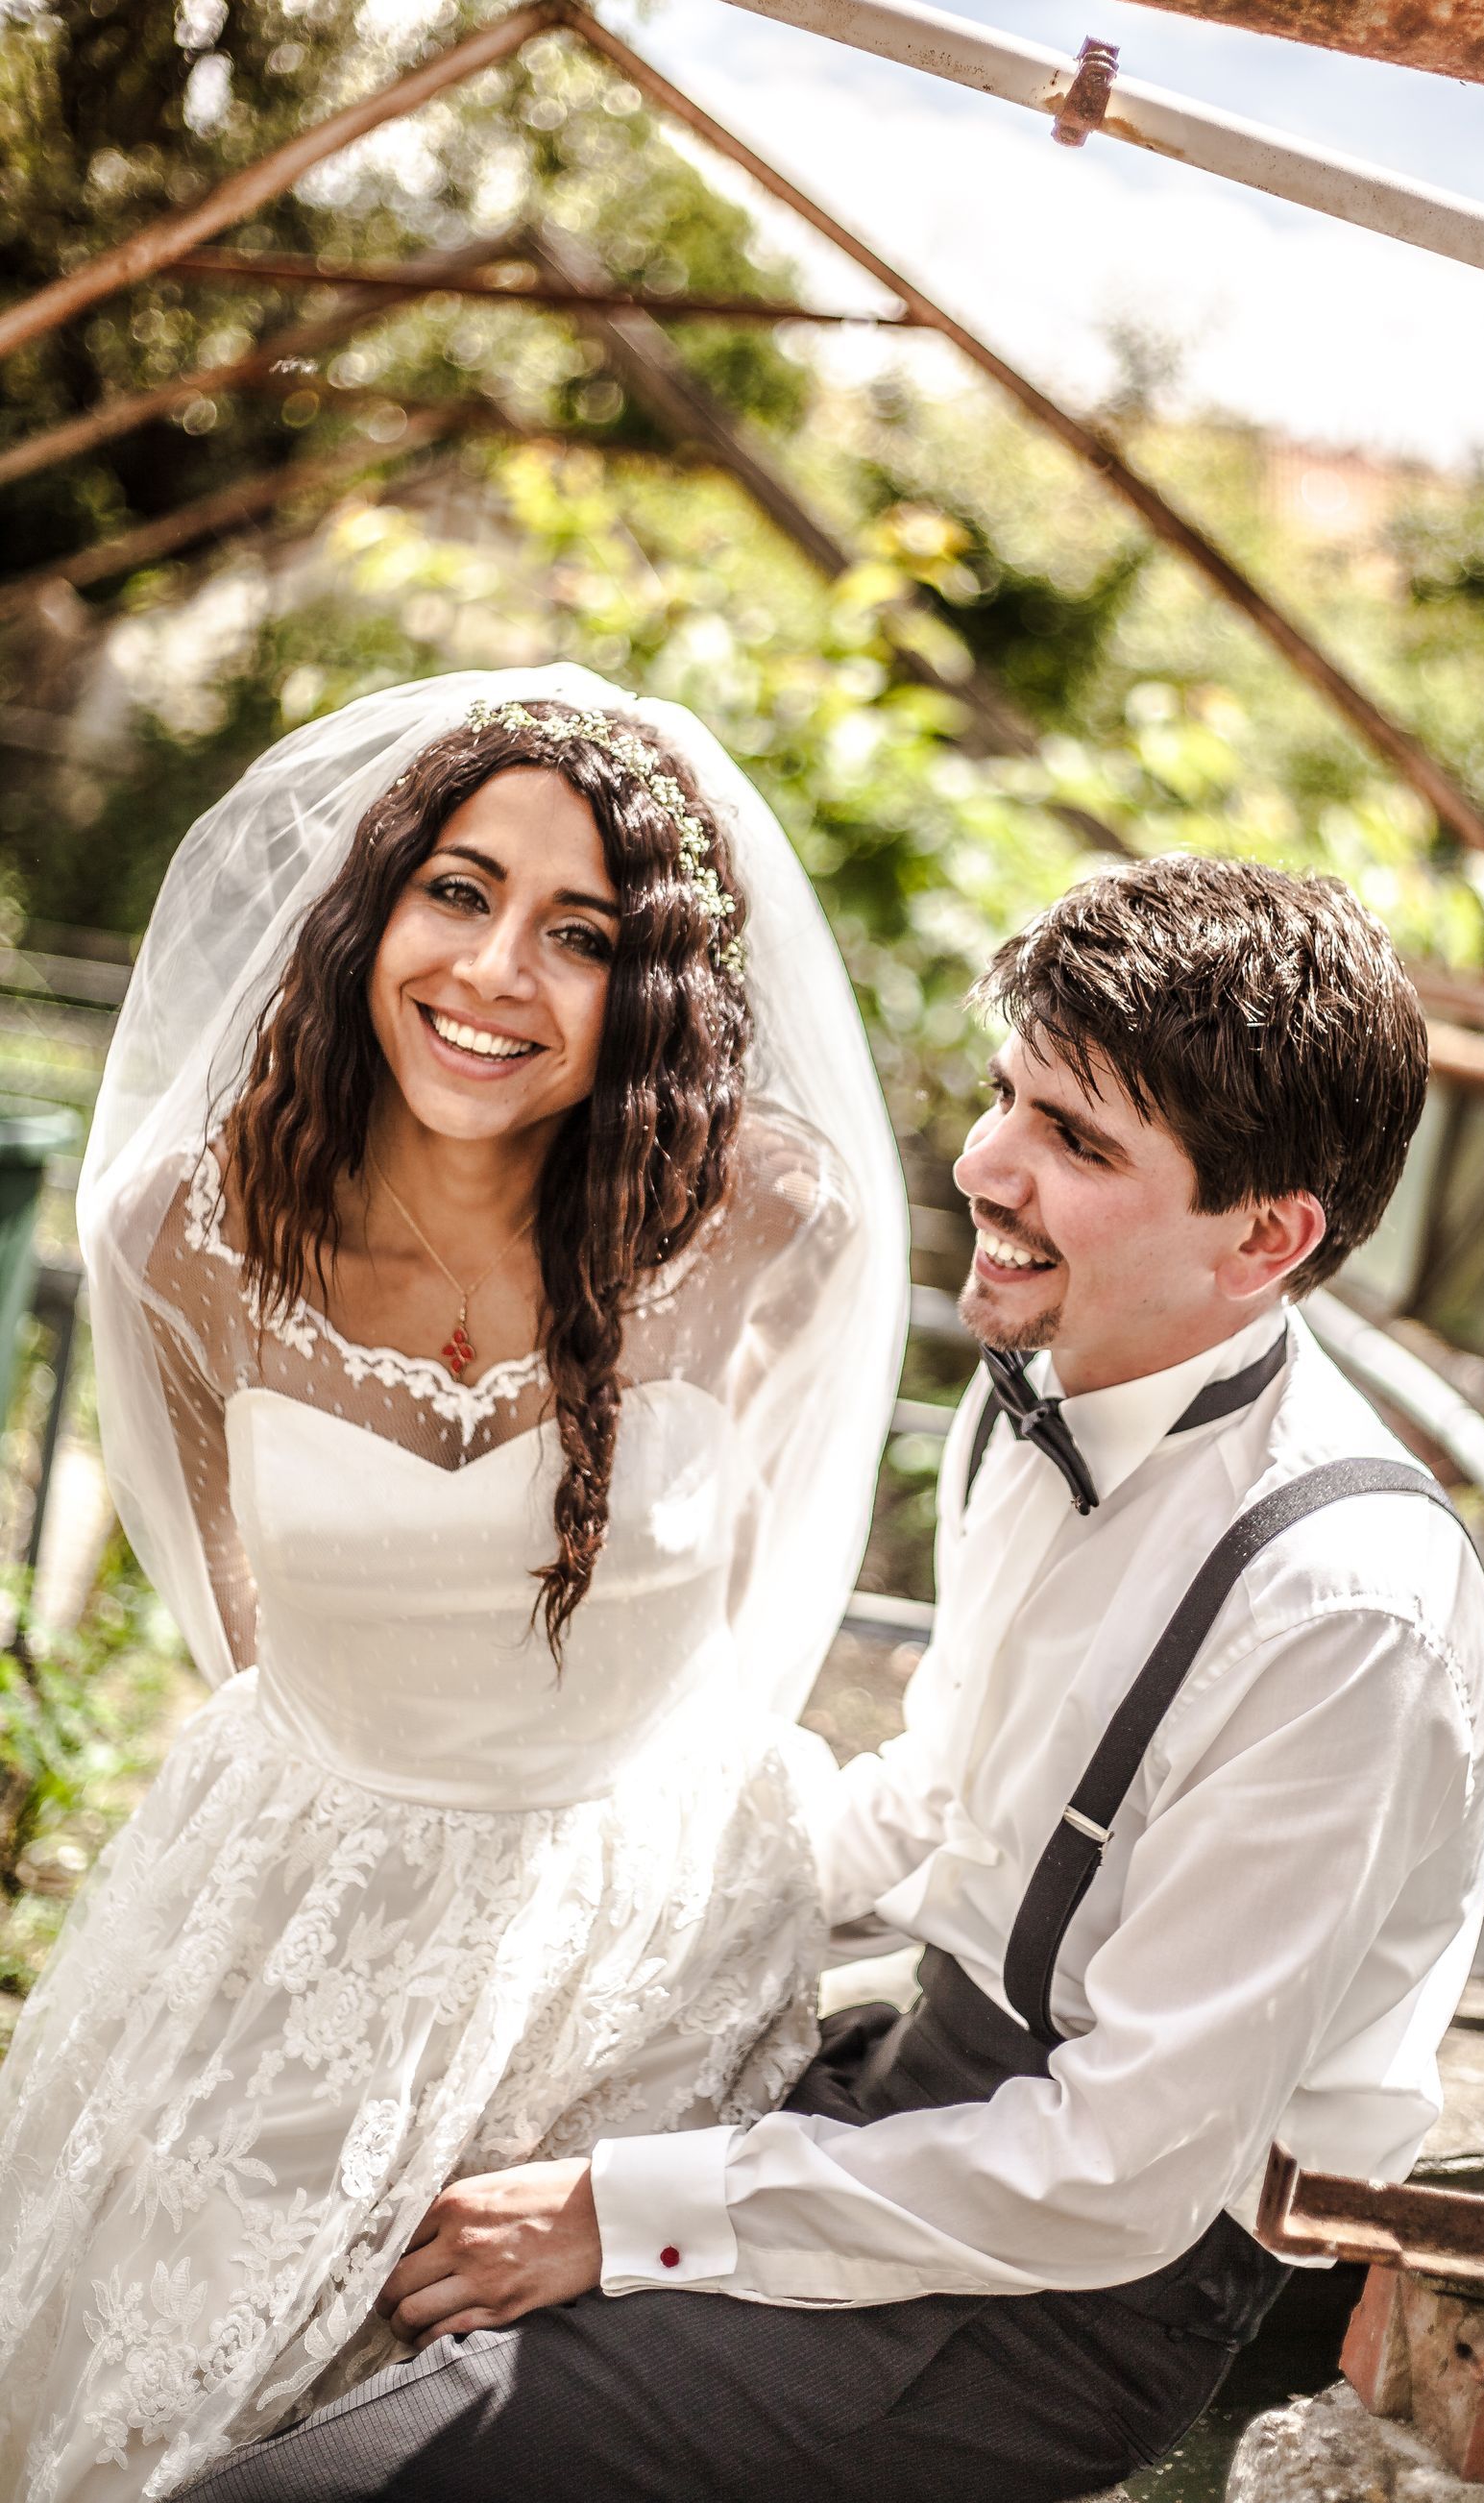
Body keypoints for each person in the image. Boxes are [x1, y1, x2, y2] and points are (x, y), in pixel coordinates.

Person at [183, 851, 1484, 2503]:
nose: (983, 1167)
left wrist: (630, 2212)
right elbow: (945, 1793)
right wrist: (564, 1915)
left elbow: (1118, 2173)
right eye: (1007, 1096)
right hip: (910, 2096)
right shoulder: (1039, 1386)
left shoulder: (1344, 1616)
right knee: (303, 2279)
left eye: (1077, 1143)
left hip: (1072, 2284)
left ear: (1267, 1238)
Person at [0, 668, 909, 2502]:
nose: (496, 972)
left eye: (579, 932)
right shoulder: (179, 1230)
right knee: (162, 2421)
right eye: (459, 890)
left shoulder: (771, 1226)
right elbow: (231, 1605)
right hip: (286, 1922)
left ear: (649, 987)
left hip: (633, 1944)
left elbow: (763, 1593)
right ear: (372, 909)